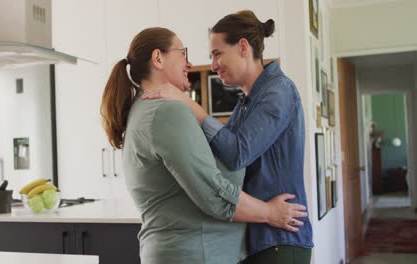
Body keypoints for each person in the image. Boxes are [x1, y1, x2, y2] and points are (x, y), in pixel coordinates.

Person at [101, 27, 307, 264]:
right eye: (183, 53)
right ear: (158, 58)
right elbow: (214, 194)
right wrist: (270, 213)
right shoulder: (167, 111)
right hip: (196, 254)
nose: (190, 63)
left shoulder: (144, 110)